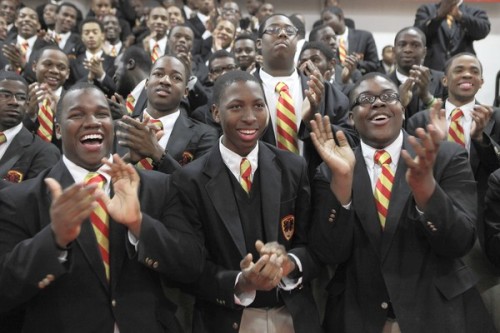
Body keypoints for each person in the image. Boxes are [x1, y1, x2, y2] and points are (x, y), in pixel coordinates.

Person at [0, 82, 204, 332]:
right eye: (77, 115)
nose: (92, 121)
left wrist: (140, 224)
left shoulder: (159, 187)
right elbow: (6, 290)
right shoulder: (19, 199)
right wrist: (53, 240)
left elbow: (191, 267)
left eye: (101, 114)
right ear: (58, 129)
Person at [309, 72, 496, 332]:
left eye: (388, 97)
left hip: (438, 311)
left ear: (403, 110)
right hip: (358, 314)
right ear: (351, 118)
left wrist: (426, 192)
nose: (378, 103)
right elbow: (329, 254)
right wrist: (342, 182)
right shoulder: (330, 169)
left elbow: (460, 242)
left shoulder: (445, 156)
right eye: (365, 99)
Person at [172, 70, 322, 333]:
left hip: (292, 314)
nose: (250, 117)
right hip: (225, 318)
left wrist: (289, 262)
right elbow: (189, 267)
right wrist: (241, 281)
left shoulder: (293, 167)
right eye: (236, 107)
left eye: (258, 105)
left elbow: (311, 245)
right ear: (216, 113)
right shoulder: (189, 180)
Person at [407, 52, 500, 330]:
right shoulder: (420, 120)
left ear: (482, 82)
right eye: (459, 70)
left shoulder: (495, 118)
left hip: (485, 230)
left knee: (485, 309)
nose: (467, 74)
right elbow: (415, 172)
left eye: (474, 71)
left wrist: (482, 139)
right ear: (445, 80)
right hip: (438, 222)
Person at [255, 13, 351, 179]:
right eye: (273, 29)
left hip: (314, 188)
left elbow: (351, 140)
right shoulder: (243, 92)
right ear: (258, 43)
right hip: (260, 189)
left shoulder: (326, 91)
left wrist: (313, 123)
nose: (282, 34)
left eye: (289, 31)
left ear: (297, 40)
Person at [117, 55, 218, 174]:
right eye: (158, 74)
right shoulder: (117, 129)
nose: (165, 80)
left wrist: (157, 153)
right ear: (146, 83)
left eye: (176, 77)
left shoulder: (204, 135)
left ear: (185, 92)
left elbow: (197, 188)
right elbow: (100, 182)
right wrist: (128, 160)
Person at [0, 71, 60, 189]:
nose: (14, 102)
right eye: (6, 95)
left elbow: (32, 199)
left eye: (21, 97)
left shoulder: (44, 151)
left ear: (27, 104)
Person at [414, 0, 490, 71]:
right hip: (434, 70)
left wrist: (461, 16)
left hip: (463, 69)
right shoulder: (426, 10)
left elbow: (483, 31)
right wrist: (438, 16)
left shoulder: (474, 11)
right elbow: (418, 35)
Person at [390, 26, 446, 120]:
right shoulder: (382, 84)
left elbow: (450, 117)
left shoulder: (442, 80)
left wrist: (426, 97)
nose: (408, 49)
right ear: (394, 51)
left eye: (415, 45)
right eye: (402, 44)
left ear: (424, 52)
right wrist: (399, 104)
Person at [321, 5, 379, 74]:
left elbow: (375, 64)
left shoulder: (365, 36)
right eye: (323, 21)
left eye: (327, 19)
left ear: (339, 17)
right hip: (336, 82)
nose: (324, 23)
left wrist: (356, 63)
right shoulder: (325, 41)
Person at [69, 17, 116, 97]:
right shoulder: (73, 63)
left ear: (102, 35)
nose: (91, 36)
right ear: (82, 37)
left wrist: (101, 75)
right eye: (86, 33)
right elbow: (69, 90)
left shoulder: (114, 61)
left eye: (95, 32)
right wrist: (89, 78)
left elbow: (117, 90)